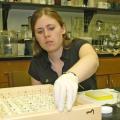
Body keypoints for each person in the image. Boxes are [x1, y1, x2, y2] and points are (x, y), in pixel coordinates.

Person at [28, 7, 99, 112]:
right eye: (39, 31)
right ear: (35, 37)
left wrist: (71, 77)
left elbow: (93, 60)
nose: (46, 35)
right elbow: (39, 102)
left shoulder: (79, 46)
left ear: (63, 29)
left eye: (51, 28)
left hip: (89, 113)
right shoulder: (36, 62)